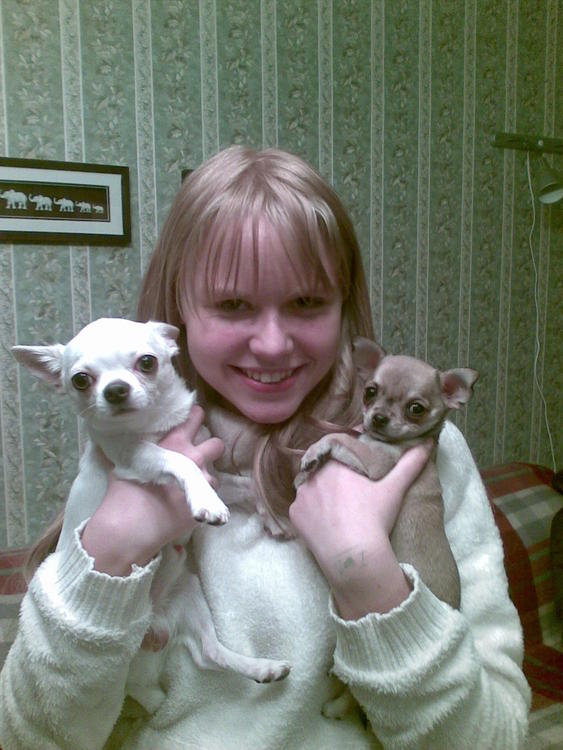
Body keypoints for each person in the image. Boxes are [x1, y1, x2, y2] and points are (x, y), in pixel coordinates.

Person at [0, 146, 530, 749]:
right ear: (177, 315)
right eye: (233, 305)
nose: (273, 345)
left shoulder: (418, 450)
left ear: (343, 305)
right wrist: (111, 553)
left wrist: (369, 576)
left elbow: (497, 737)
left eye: (307, 302)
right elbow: (27, 739)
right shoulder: (123, 455)